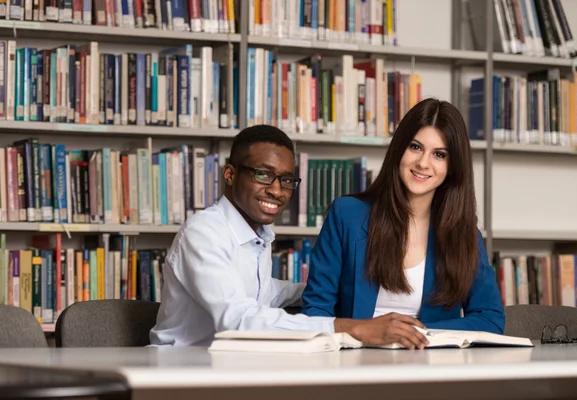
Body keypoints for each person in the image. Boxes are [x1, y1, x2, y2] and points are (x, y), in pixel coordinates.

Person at [149, 124, 430, 347]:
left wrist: (334, 288)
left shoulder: (258, 234)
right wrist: (350, 326)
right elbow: (236, 319)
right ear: (230, 175)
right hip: (181, 372)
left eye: (286, 180)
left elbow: (264, 292)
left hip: (233, 368)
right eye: (263, 175)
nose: (277, 190)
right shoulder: (204, 232)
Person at [301, 98, 505, 349]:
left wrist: (413, 333)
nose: (423, 163)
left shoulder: (464, 234)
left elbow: (491, 319)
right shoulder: (346, 215)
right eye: (415, 147)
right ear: (399, 149)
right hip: (350, 361)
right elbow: (315, 312)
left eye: (439, 154)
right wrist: (366, 333)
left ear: (452, 167)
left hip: (428, 364)